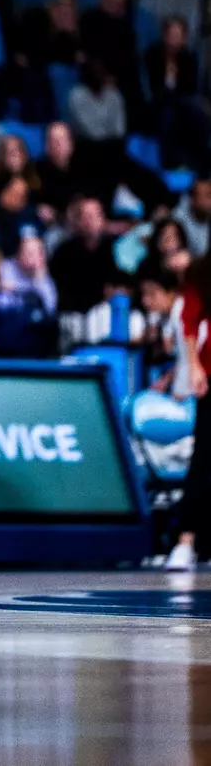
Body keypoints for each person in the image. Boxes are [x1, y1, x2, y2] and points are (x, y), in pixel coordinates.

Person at [165, 251, 211, 571]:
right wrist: (194, 366)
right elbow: (190, 319)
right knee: (204, 458)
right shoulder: (203, 270)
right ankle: (186, 540)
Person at [49, 197, 118, 314]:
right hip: (73, 313)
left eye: (93, 216)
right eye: (84, 217)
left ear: (102, 218)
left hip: (107, 311)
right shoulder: (64, 251)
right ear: (78, 222)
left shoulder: (116, 248)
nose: (89, 222)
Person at [3, 235, 58, 315]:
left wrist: (38, 281)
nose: (28, 257)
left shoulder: (42, 277)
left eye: (33, 253)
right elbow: (4, 301)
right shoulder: (6, 267)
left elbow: (50, 308)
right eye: (25, 252)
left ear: (41, 256)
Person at [175, 180, 211, 258]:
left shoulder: (207, 215)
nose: (210, 201)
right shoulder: (177, 222)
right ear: (193, 200)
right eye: (208, 196)